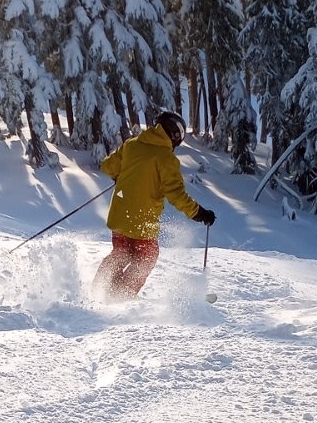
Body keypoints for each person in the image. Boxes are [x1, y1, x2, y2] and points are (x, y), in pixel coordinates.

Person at [93, 111, 216, 301]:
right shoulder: (166, 159)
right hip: (143, 222)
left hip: (119, 217)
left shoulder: (132, 145)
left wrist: (121, 174)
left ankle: (102, 289)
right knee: (146, 258)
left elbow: (108, 166)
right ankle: (121, 296)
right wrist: (199, 213)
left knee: (122, 253)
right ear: (175, 135)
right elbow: (176, 194)